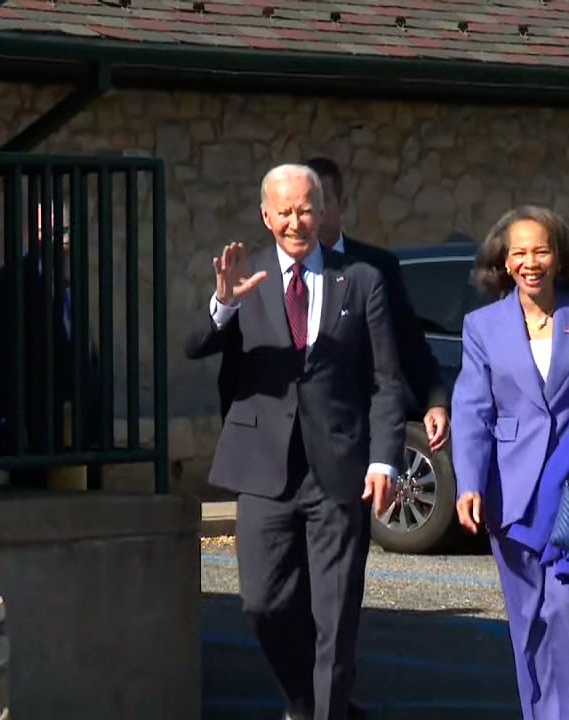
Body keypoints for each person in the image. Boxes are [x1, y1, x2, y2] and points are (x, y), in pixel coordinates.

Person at [185, 163, 405, 720]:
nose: (296, 221)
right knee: (262, 604)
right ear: (265, 216)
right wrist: (225, 304)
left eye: (306, 209)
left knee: (334, 617)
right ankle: (307, 706)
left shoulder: (359, 280)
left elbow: (384, 381)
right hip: (263, 471)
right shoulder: (245, 279)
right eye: (284, 211)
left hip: (338, 472)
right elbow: (195, 344)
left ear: (324, 210)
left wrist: (384, 461)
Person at [450, 206, 569, 720]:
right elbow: (472, 409)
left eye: (541, 250)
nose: (530, 261)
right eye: (519, 252)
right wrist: (469, 483)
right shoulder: (482, 326)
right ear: (503, 262)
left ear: (560, 257)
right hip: (513, 494)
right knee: (529, 620)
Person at [302, 156, 449, 451]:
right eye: (305, 206)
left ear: (342, 203)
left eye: (322, 203)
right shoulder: (278, 272)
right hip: (297, 432)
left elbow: (408, 343)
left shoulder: (377, 267)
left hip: (358, 432)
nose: (313, 215)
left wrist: (434, 402)